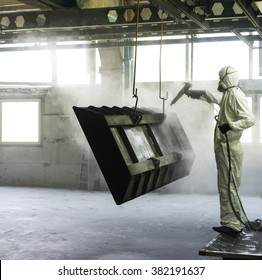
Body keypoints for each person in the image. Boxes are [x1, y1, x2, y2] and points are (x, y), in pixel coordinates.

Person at [186, 66, 255, 237]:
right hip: (225, 147)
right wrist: (200, 93)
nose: (219, 82)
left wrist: (231, 125)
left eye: (220, 78)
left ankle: (233, 225)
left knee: (228, 186)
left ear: (227, 79)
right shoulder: (229, 94)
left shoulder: (235, 95)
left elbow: (249, 119)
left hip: (230, 148)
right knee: (227, 186)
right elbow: (218, 100)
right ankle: (234, 221)